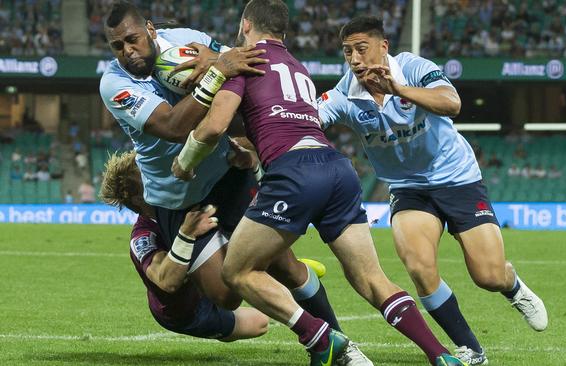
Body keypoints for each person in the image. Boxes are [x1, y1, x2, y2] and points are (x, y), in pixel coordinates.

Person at [172, 2, 464, 365]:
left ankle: (320, 337)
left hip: (294, 171)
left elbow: (214, 126)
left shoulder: (240, 61)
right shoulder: (298, 67)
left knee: (236, 270)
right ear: (284, 32)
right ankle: (442, 356)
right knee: (372, 279)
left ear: (245, 24)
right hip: (337, 169)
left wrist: (184, 162)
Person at [98, 2, 363, 362]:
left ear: (149, 29)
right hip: (178, 197)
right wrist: (215, 73)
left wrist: (215, 60)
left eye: (132, 39)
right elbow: (175, 127)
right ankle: (322, 337)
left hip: (227, 173)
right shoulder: (114, 83)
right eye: (118, 46)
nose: (128, 51)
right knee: (226, 293)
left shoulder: (187, 40)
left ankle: (339, 345)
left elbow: (244, 61)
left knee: (285, 266)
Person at [318, 16, 548, 365]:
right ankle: (471, 349)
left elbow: (451, 103)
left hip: (457, 177)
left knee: (488, 275)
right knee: (420, 267)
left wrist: (399, 89)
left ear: (384, 47)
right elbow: (309, 118)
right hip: (409, 188)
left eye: (362, 49)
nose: (354, 59)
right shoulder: (343, 95)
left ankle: (512, 285)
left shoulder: (412, 67)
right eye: (348, 51)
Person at [100, 150, 268, 341]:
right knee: (261, 323)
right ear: (139, 198)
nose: (158, 176)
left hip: (206, 278)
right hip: (189, 312)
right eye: (149, 176)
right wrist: (185, 235)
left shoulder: (182, 199)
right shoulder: (143, 237)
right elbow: (167, 281)